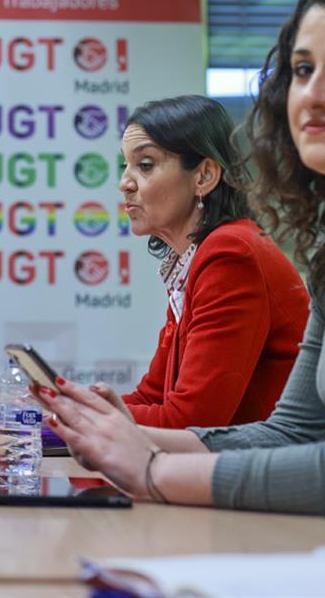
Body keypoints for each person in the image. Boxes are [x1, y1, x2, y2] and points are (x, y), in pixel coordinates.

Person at [34, 0, 325, 535]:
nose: (312, 93)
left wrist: (152, 468)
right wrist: (125, 436)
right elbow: (292, 430)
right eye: (302, 70)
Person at [108, 95, 309, 429]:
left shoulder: (230, 254)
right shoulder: (197, 257)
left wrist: (78, 418)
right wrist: (70, 409)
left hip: (263, 476)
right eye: (125, 166)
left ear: (203, 176)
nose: (124, 183)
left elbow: (191, 422)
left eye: (144, 165)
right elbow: (152, 397)